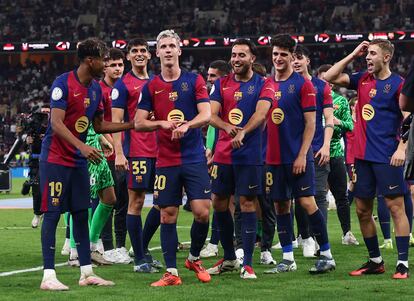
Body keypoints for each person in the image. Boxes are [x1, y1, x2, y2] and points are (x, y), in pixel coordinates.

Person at [39, 38, 133, 290]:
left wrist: (133, 125)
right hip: (56, 159)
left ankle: (86, 272)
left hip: (78, 161)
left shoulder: (95, 90)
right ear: (90, 60)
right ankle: (48, 276)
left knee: (81, 213)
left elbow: (100, 125)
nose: (106, 64)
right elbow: (56, 124)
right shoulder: (63, 83)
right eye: (103, 59)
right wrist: (82, 146)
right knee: (53, 212)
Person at [324, 39, 410, 279]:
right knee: (362, 210)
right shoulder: (362, 79)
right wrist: (352, 54)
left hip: (387, 156)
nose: (367, 57)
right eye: (366, 53)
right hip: (362, 157)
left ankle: (402, 263)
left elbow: (409, 118)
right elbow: (329, 77)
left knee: (396, 208)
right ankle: (375, 261)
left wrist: (402, 149)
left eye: (372, 53)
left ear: (386, 57)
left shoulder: (398, 85)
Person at [135, 29, 211, 286]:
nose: (167, 50)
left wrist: (187, 125)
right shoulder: (152, 86)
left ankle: (193, 257)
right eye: (163, 46)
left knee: (202, 212)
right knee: (167, 214)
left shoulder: (195, 80)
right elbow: (139, 122)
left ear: (179, 50)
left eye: (171, 46)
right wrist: (161, 124)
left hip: (193, 157)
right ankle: (171, 273)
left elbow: (206, 114)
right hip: (166, 159)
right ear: (157, 52)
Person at [264, 34, 335, 274]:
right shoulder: (267, 84)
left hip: (297, 157)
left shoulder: (304, 85)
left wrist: (302, 154)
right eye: (275, 54)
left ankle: (326, 254)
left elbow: (311, 124)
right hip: (273, 158)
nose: (278, 58)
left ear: (292, 57)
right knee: (281, 206)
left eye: (284, 54)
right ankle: (287, 258)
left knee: (307, 202)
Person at [207, 39, 274, 279]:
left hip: (250, 156)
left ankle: (247, 264)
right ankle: (229, 258)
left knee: (247, 204)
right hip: (224, 155)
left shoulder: (264, 84)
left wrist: (244, 131)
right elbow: (211, 115)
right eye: (233, 55)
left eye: (241, 55)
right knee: (219, 204)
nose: (236, 59)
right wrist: (226, 127)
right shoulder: (221, 84)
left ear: (252, 59)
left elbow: (261, 112)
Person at [112, 38, 161, 272]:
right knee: (137, 202)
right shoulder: (122, 85)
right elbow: (116, 122)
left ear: (150, 55)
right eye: (135, 51)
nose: (139, 54)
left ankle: (141, 247)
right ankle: (140, 258)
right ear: (128, 57)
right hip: (137, 151)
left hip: (161, 151)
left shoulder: (157, 82)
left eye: (143, 51)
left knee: (164, 202)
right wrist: (119, 153)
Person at [292, 46, 334, 257]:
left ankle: (319, 240)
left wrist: (326, 145)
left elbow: (329, 119)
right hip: (291, 151)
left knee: (317, 195)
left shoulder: (320, 86)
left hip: (316, 149)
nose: (295, 62)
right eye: (293, 59)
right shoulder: (284, 86)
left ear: (308, 60)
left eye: (299, 58)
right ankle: (304, 236)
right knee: (296, 198)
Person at [317, 64, 359, 246]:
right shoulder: (309, 99)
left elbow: (351, 126)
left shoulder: (341, 101)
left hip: (335, 153)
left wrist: (338, 121)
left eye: (326, 80)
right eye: (320, 79)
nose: (323, 83)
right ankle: (312, 237)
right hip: (315, 153)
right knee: (315, 197)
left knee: (341, 195)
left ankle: (347, 233)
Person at [201, 60, 231, 258]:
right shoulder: (213, 95)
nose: (208, 79)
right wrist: (210, 148)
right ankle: (215, 242)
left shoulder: (225, 93)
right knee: (220, 200)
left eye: (212, 76)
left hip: (233, 152)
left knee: (244, 203)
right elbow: (212, 125)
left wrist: (212, 148)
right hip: (221, 151)